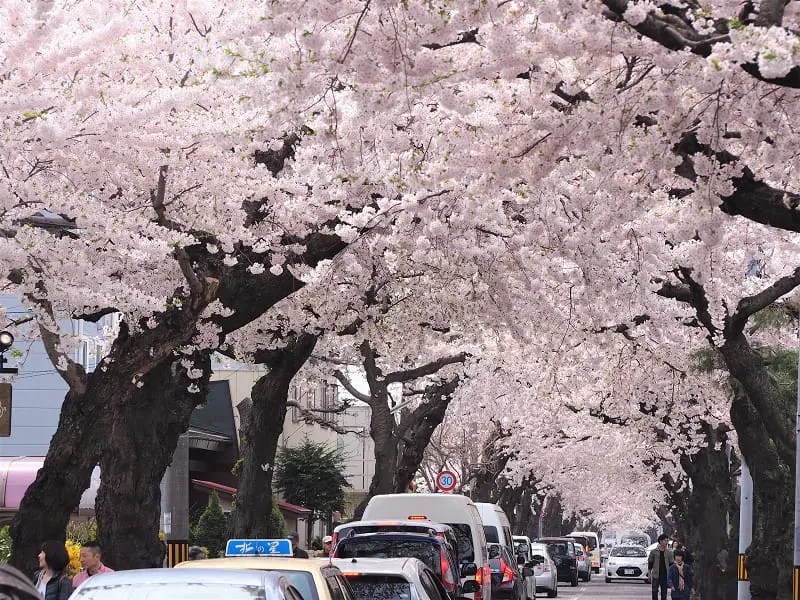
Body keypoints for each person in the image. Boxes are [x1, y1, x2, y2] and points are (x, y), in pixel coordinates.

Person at [648, 534, 674, 600]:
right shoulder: (653, 552)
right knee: (654, 591)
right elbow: (650, 563)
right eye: (665, 541)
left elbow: (671, 564)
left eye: (667, 541)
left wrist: (672, 575)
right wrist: (649, 574)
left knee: (664, 592)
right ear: (661, 541)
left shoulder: (669, 552)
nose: (667, 542)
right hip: (656, 574)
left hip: (665, 575)